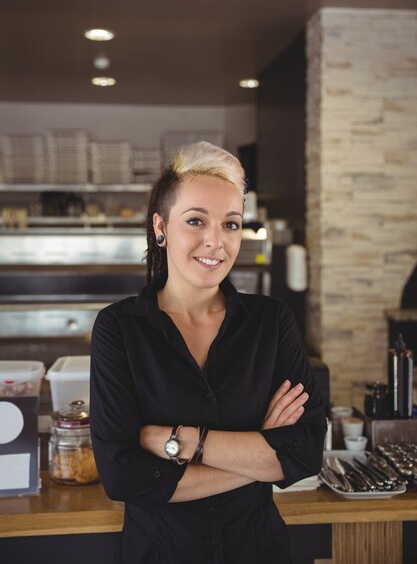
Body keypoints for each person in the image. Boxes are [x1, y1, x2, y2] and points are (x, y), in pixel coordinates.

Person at [90, 142, 327, 564]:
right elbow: (123, 477)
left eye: (231, 224)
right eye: (196, 220)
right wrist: (259, 454)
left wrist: (181, 443)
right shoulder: (119, 328)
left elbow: (305, 452)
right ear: (161, 227)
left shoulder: (271, 322)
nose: (215, 241)